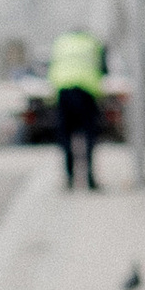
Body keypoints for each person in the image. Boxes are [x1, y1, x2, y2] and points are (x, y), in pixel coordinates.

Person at [45, 24, 106, 192]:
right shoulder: (92, 43)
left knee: (65, 137)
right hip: (86, 92)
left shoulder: (60, 42)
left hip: (64, 92)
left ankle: (70, 178)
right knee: (89, 136)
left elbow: (52, 68)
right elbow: (103, 69)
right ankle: (90, 179)